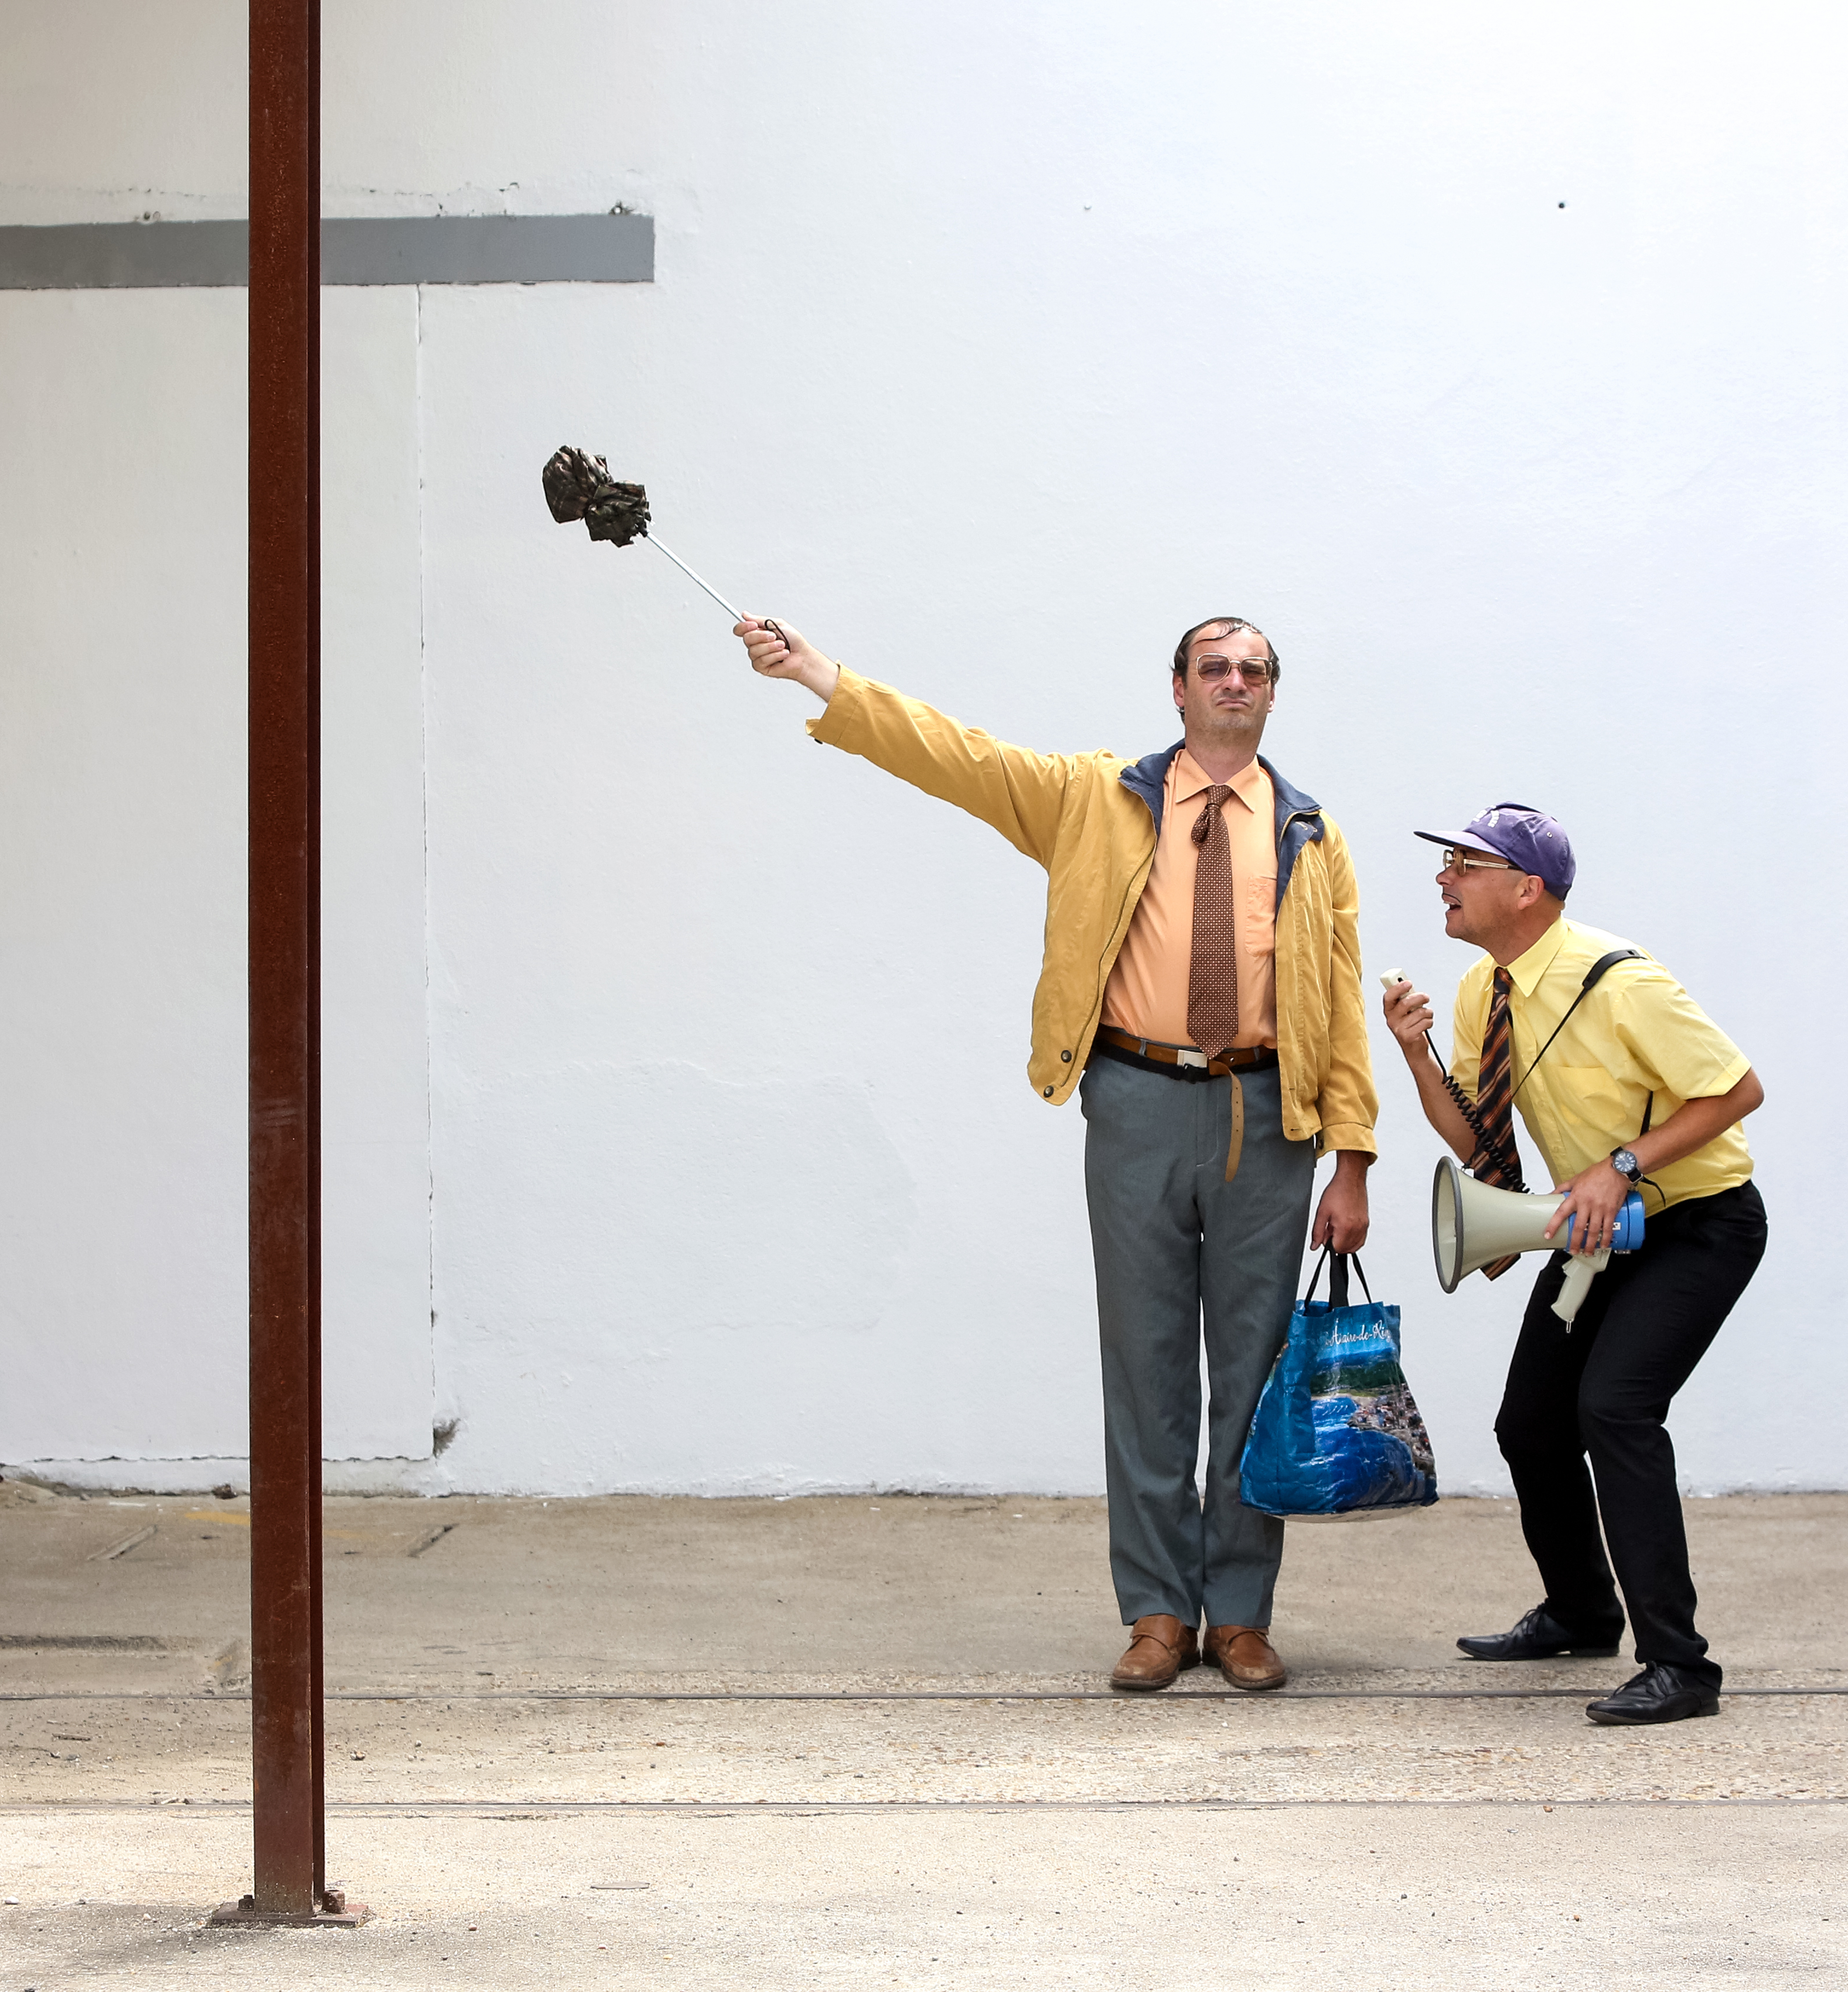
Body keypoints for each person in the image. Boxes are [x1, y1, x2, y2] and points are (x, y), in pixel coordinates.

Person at [733, 613, 1378, 1692]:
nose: (1233, 681)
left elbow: (1344, 1002)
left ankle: (1243, 1615)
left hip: (1270, 1120)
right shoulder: (1097, 797)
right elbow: (960, 756)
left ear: (1274, 694)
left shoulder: (1312, 831)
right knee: (1145, 1368)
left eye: (1252, 669)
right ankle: (1160, 1612)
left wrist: (1351, 1157)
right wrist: (818, 675)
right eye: (1214, 667)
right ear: (1176, 689)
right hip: (1135, 1099)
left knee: (1257, 1373)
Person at [1381, 804, 1766, 1725]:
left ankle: (1681, 1665)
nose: (1443, 878)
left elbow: (1737, 1089)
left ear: (1527, 889)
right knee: (1531, 1424)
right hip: (1593, 1230)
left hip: (1695, 1224)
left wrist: (1623, 1164)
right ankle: (1582, 1611)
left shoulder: (1623, 982)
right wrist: (1411, 1053)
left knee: (1616, 1409)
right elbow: (1481, 1140)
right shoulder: (1486, 990)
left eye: (1464, 865)